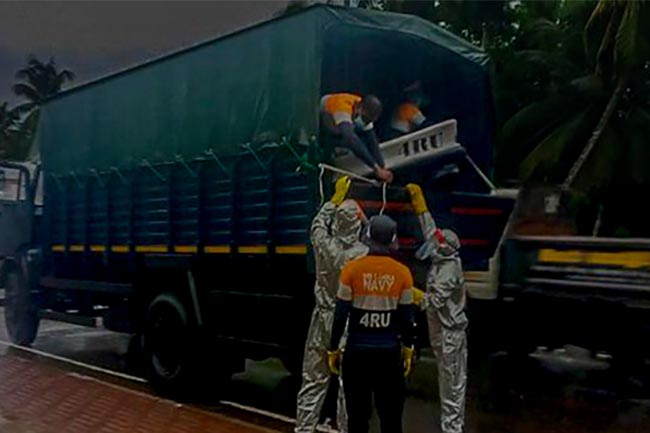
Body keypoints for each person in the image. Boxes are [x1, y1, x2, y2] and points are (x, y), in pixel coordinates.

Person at [328, 214, 416, 433]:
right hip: (388, 355)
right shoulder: (403, 273)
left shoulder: (352, 270)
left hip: (357, 354)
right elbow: (407, 318)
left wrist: (333, 348)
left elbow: (340, 314)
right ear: (392, 239)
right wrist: (408, 347)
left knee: (358, 419)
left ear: (367, 236)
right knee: (391, 419)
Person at [295, 176, 369, 433]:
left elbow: (317, 225)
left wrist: (334, 200)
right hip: (349, 320)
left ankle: (303, 428)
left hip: (322, 316)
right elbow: (380, 239)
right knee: (348, 384)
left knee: (313, 378)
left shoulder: (323, 245)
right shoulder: (362, 253)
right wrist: (366, 217)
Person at [406, 183, 468, 433]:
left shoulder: (448, 271)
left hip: (450, 334)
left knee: (451, 385)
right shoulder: (443, 256)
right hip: (440, 331)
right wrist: (420, 205)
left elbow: (432, 302)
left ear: (443, 248)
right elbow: (430, 231)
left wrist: (412, 294)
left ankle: (452, 430)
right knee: (448, 382)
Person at [320, 93, 393, 183]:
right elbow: (350, 139)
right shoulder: (342, 108)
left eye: (369, 121)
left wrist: (383, 167)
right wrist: (375, 168)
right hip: (326, 118)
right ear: (359, 107)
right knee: (347, 138)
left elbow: (372, 141)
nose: (365, 123)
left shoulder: (365, 111)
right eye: (365, 119)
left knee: (358, 137)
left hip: (344, 123)